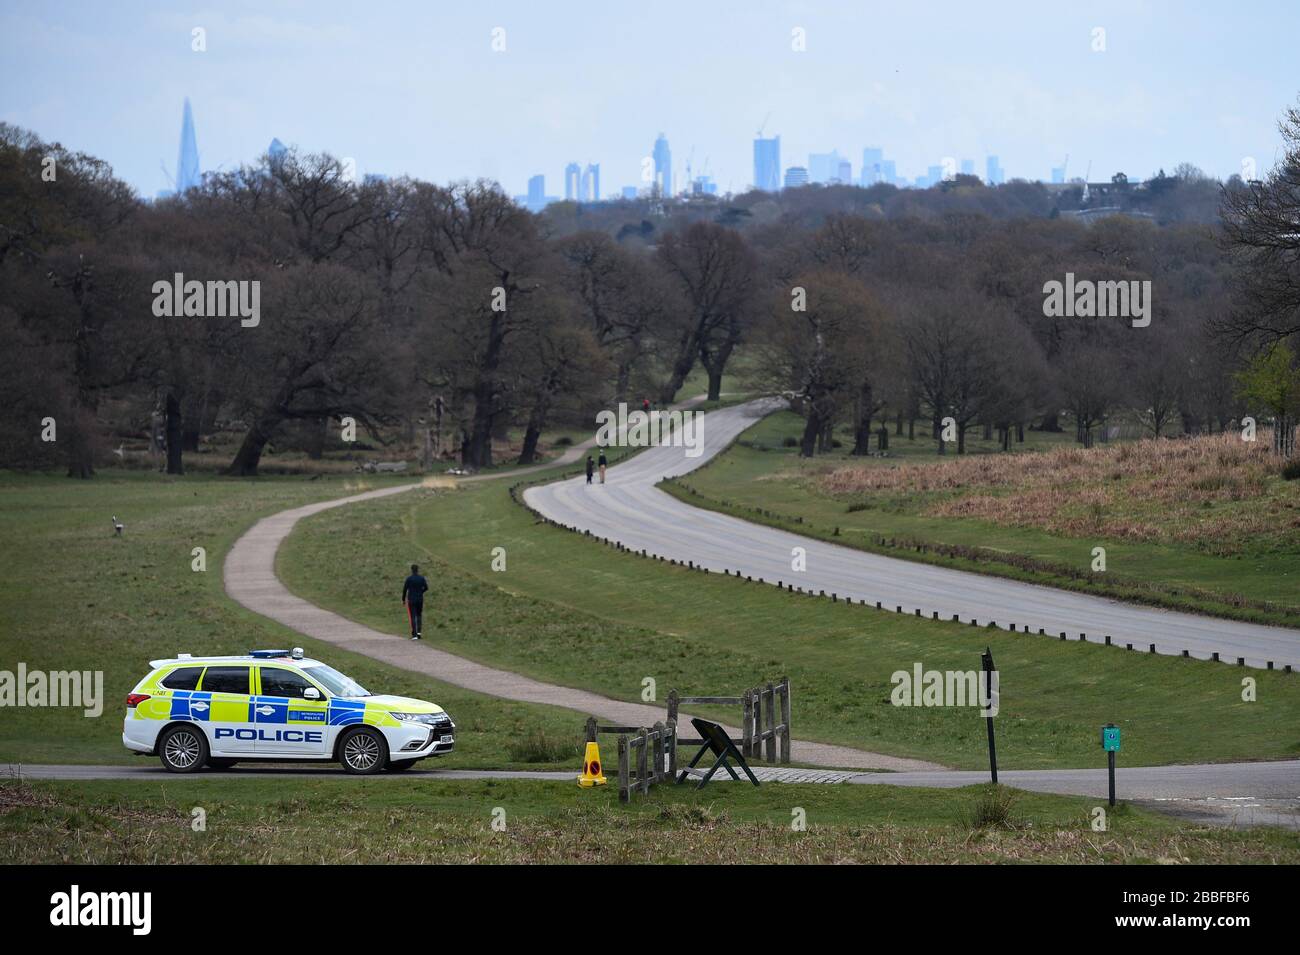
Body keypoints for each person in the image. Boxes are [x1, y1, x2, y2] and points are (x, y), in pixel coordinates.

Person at [401, 563, 428, 640]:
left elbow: (405, 590)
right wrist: (421, 592)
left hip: (411, 599)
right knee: (419, 615)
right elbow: (426, 587)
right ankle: (419, 633)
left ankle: (414, 635)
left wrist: (403, 599)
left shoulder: (409, 579)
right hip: (420, 599)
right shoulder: (421, 578)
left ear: (411, 570)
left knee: (413, 616)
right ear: (417, 570)